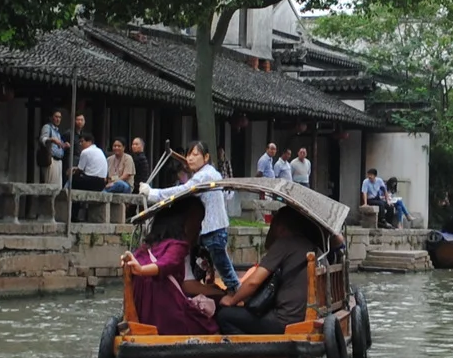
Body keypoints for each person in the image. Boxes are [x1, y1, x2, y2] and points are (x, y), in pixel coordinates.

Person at [146, 142, 239, 289]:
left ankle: (235, 291)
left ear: (206, 157)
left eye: (195, 155)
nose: (190, 158)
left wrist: (153, 193)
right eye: (188, 155)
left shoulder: (205, 175)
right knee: (215, 262)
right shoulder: (209, 173)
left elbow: (183, 191)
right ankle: (229, 288)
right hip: (211, 228)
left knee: (223, 267)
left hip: (213, 228)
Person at [119, 198, 218, 334]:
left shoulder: (147, 246)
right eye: (198, 221)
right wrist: (141, 270)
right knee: (211, 328)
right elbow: (167, 263)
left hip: (144, 311)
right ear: (185, 221)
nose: (200, 228)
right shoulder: (178, 246)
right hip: (167, 312)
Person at [216, 206, 319, 335]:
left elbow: (254, 282)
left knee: (225, 315)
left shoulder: (284, 244)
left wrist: (232, 300)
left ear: (280, 228)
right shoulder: (313, 246)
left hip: (285, 320)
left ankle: (249, 353)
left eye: (273, 226)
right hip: (304, 316)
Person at [38, 110, 66, 186]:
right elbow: (42, 139)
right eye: (56, 117)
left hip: (59, 161)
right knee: (50, 185)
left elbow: (58, 145)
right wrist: (52, 139)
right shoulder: (47, 127)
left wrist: (63, 145)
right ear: (51, 118)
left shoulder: (57, 132)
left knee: (58, 187)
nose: (58, 119)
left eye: (60, 117)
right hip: (51, 160)